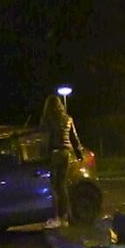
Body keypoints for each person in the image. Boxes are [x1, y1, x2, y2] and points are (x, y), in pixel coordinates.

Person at [40, 94, 81, 228]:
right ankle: (66, 218)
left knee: (54, 187)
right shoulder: (68, 118)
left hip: (55, 153)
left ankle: (56, 217)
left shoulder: (48, 119)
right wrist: (79, 154)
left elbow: (46, 139)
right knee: (62, 186)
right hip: (66, 153)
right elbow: (74, 138)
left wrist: (44, 155)